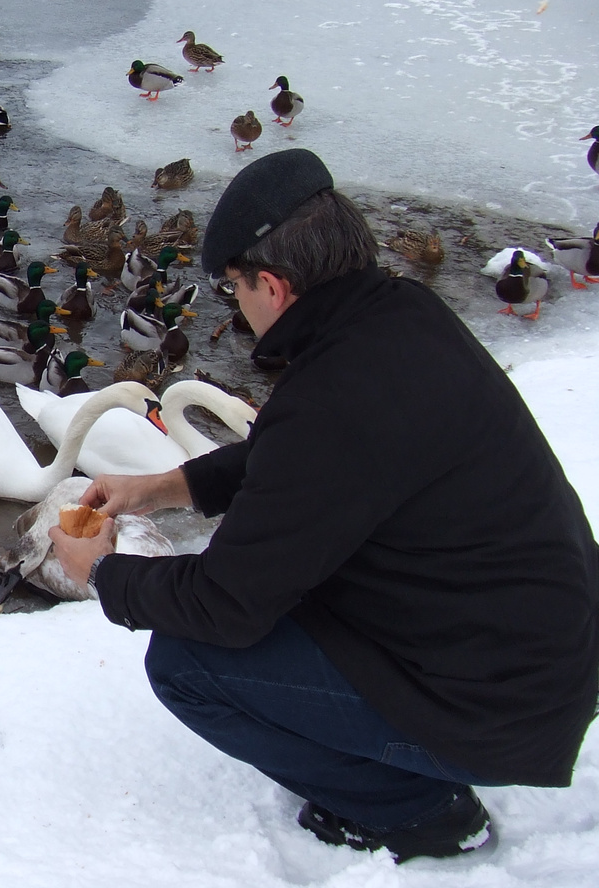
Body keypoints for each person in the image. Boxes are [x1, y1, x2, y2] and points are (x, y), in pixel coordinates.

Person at [48, 148, 599, 863]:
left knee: (186, 662)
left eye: (233, 288)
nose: (235, 306)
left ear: (272, 286)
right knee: (294, 594)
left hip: (498, 708)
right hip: (538, 650)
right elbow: (299, 456)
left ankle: (422, 811)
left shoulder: (335, 398)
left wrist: (102, 575)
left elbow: (225, 604)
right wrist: (162, 487)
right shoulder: (401, 315)